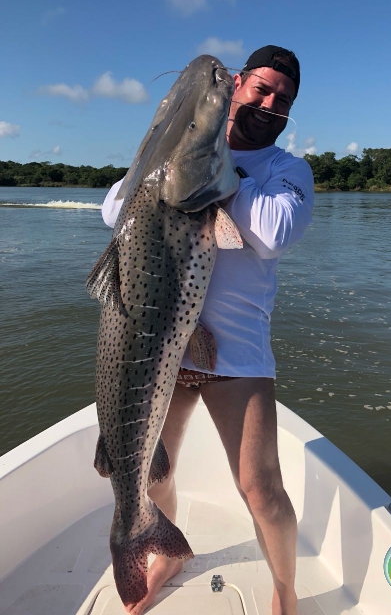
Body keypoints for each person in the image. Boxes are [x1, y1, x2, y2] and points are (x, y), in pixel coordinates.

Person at [102, 45, 314, 615]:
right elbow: (111, 209)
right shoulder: (178, 150)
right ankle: (166, 549)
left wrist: (211, 174)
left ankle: (285, 594)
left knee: (260, 489)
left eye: (283, 100)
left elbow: (271, 233)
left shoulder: (285, 170)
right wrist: (179, 164)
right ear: (238, 84)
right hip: (158, 346)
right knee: (148, 470)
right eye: (262, 89)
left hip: (237, 353)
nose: (270, 104)